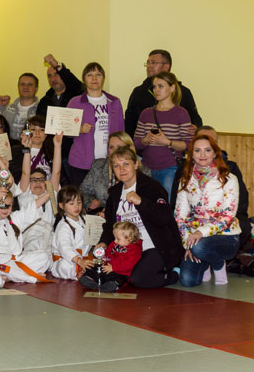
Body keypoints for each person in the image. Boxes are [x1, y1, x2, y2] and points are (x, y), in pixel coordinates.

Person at [97, 146, 181, 288]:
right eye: (116, 166)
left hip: (155, 246)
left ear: (136, 164)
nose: (122, 169)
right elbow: (110, 225)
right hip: (126, 249)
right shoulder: (114, 193)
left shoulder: (152, 186)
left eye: (126, 164)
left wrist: (141, 202)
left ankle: (173, 274)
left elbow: (164, 217)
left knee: (137, 279)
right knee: (103, 271)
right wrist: (103, 242)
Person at [174, 135, 241, 287]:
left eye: (207, 150)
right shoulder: (185, 180)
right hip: (196, 238)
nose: (202, 154)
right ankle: (205, 258)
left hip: (226, 236)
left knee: (199, 246)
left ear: (215, 153)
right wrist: (188, 243)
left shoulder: (229, 179)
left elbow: (228, 216)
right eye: (197, 150)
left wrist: (200, 233)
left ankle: (218, 263)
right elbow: (179, 216)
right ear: (191, 155)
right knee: (188, 281)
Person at [133, 72, 194, 197]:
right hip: (146, 168)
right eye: (154, 87)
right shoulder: (146, 113)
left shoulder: (181, 113)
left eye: (161, 86)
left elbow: (189, 145)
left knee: (166, 203)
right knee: (146, 204)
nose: (156, 90)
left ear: (172, 88)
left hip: (169, 169)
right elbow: (135, 143)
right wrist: (145, 140)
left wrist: (168, 142)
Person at [65, 62, 124, 186]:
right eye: (89, 75)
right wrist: (79, 129)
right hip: (81, 162)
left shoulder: (114, 102)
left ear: (103, 78)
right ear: (84, 79)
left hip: (108, 162)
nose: (94, 78)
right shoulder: (75, 102)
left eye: (98, 74)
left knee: (106, 196)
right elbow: (65, 130)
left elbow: (121, 132)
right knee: (80, 197)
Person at [125, 49, 201, 136]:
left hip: (175, 142)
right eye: (148, 63)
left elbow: (195, 119)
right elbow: (129, 122)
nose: (149, 66)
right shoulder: (138, 92)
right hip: (146, 142)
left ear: (166, 66)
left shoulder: (183, 92)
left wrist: (195, 128)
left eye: (153, 63)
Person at [80, 132, 149, 215]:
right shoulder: (98, 165)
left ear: (130, 148)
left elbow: (145, 202)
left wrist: (110, 211)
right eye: (111, 147)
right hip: (99, 214)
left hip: (129, 215)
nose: (115, 151)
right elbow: (84, 191)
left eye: (119, 147)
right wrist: (91, 202)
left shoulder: (143, 171)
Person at [80, 222, 143, 293]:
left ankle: (112, 285)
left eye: (118, 239)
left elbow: (129, 264)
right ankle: (89, 278)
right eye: (115, 238)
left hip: (120, 272)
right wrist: (103, 256)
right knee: (94, 268)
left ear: (130, 239)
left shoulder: (135, 249)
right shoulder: (114, 244)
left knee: (118, 278)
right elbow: (108, 252)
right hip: (107, 267)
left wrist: (113, 268)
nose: (115, 241)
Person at [51, 185, 89, 280]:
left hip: (83, 259)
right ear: (61, 206)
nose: (77, 206)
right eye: (71, 203)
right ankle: (79, 275)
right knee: (65, 265)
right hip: (68, 259)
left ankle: (87, 274)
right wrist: (78, 260)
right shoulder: (63, 226)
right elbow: (64, 248)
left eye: (79, 202)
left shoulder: (85, 220)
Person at [35, 53, 84, 118]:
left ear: (63, 75)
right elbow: (38, 122)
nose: (53, 79)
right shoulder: (44, 101)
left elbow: (78, 85)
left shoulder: (76, 95)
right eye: (49, 76)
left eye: (56, 74)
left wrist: (57, 65)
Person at [1, 73, 41, 141]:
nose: (26, 87)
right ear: (18, 87)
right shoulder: (8, 109)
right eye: (22, 84)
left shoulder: (40, 110)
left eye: (30, 84)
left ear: (36, 88)